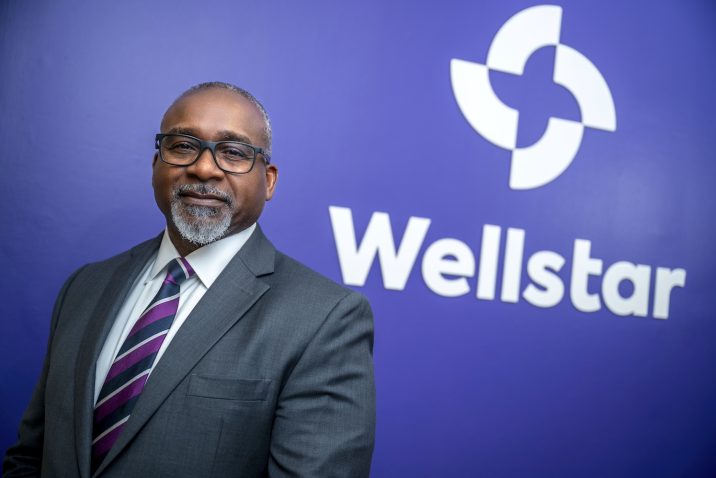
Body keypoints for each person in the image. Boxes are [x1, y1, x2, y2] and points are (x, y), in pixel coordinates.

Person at [3, 82, 376, 477]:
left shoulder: (325, 319)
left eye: (233, 152)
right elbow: (32, 457)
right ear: (155, 165)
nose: (203, 167)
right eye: (182, 145)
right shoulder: (85, 286)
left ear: (268, 181)